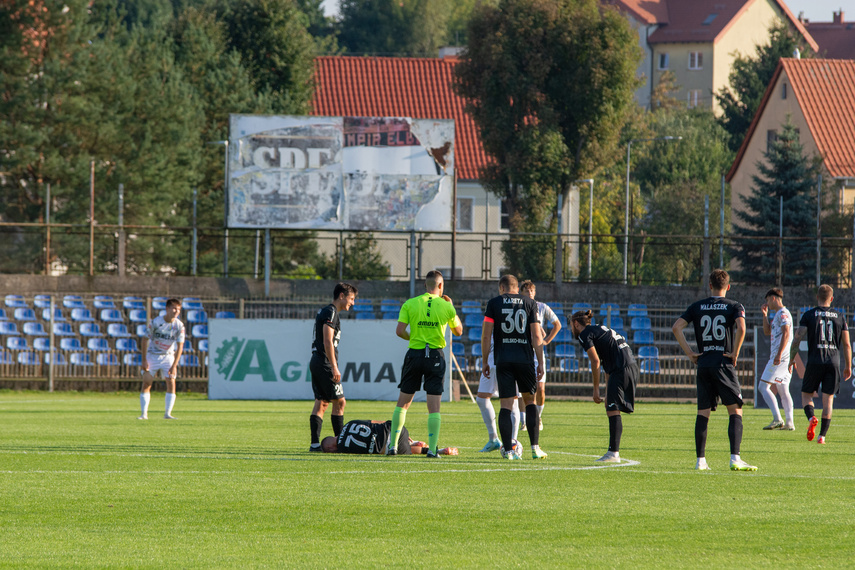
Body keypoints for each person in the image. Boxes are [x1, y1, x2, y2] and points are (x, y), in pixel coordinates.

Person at [672, 269, 757, 472]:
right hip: (723, 363)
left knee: (703, 412)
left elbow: (676, 327)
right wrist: (735, 353)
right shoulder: (735, 305)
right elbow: (742, 328)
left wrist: (691, 354)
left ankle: (700, 461)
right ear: (728, 286)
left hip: (704, 363)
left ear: (709, 285)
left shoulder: (697, 306)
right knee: (735, 410)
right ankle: (735, 458)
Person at [387, 270, 463, 458]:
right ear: (440, 286)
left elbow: (399, 331)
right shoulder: (446, 306)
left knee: (402, 404)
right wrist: (452, 307)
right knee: (434, 407)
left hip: (414, 354)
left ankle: (393, 446)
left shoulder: (410, 303)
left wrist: (414, 338)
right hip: (436, 356)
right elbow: (458, 331)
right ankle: (433, 449)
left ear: (425, 286)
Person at [481, 274, 547, 460]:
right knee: (529, 402)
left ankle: (509, 451)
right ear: (517, 288)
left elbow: (486, 336)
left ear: (501, 288)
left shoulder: (494, 303)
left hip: (503, 360)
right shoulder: (529, 303)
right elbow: (536, 336)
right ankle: (535, 448)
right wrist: (540, 362)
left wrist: (485, 360)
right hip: (525, 360)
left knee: (506, 406)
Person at [571, 309, 638, 463]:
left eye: (571, 325)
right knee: (611, 406)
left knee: (613, 410)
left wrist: (596, 390)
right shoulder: (599, 329)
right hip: (628, 366)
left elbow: (595, 361)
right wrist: (607, 391)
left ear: (576, 323)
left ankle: (614, 453)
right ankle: (613, 452)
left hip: (621, 368)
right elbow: (607, 363)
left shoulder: (584, 334)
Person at [788, 284, 852, 444]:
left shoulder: (809, 315)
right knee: (828, 400)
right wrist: (848, 366)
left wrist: (791, 359)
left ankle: (811, 417)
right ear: (831, 298)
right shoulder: (840, 316)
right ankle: (822, 436)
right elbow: (847, 344)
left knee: (806, 395)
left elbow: (797, 338)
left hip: (815, 361)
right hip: (833, 361)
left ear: (817, 297)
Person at [309, 282, 358, 452]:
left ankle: (315, 445)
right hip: (324, 362)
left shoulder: (327, 311)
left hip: (317, 360)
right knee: (340, 402)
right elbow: (327, 340)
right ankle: (342, 443)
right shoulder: (331, 312)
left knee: (322, 402)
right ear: (342, 296)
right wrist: (334, 367)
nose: (353, 303)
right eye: (351, 298)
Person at [520, 280, 561, 431]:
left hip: (537, 352)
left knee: (541, 389)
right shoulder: (518, 306)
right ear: (521, 292)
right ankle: (525, 421)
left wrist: (547, 340)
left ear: (535, 292)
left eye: (531, 291)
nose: (529, 293)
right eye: (526, 291)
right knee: (522, 390)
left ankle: (537, 417)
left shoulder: (542, 307)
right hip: (522, 352)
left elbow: (557, 324)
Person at [139, 298, 185, 420]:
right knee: (147, 383)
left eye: (179, 309)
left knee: (171, 382)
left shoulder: (179, 326)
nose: (176, 311)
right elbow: (144, 339)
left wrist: (174, 365)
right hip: (153, 355)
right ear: (167, 309)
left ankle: (167, 413)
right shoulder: (155, 322)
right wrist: (144, 360)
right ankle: (144, 414)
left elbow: (180, 346)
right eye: (174, 308)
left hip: (168, 356)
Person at [758, 288, 795, 430]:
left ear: (773, 298)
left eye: (767, 300)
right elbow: (767, 331)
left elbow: (786, 333)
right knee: (783, 389)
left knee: (763, 387)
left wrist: (779, 355)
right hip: (784, 358)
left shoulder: (783, 313)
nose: (767, 303)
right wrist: (764, 315)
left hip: (779, 358)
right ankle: (790, 423)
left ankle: (777, 418)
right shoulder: (777, 315)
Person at [320, 420, 458, 455]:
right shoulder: (348, 424)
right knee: (388, 431)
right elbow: (374, 422)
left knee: (404, 451)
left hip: (388, 447)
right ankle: (413, 440)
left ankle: (437, 451)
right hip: (395, 429)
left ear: (330, 448)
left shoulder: (343, 449)